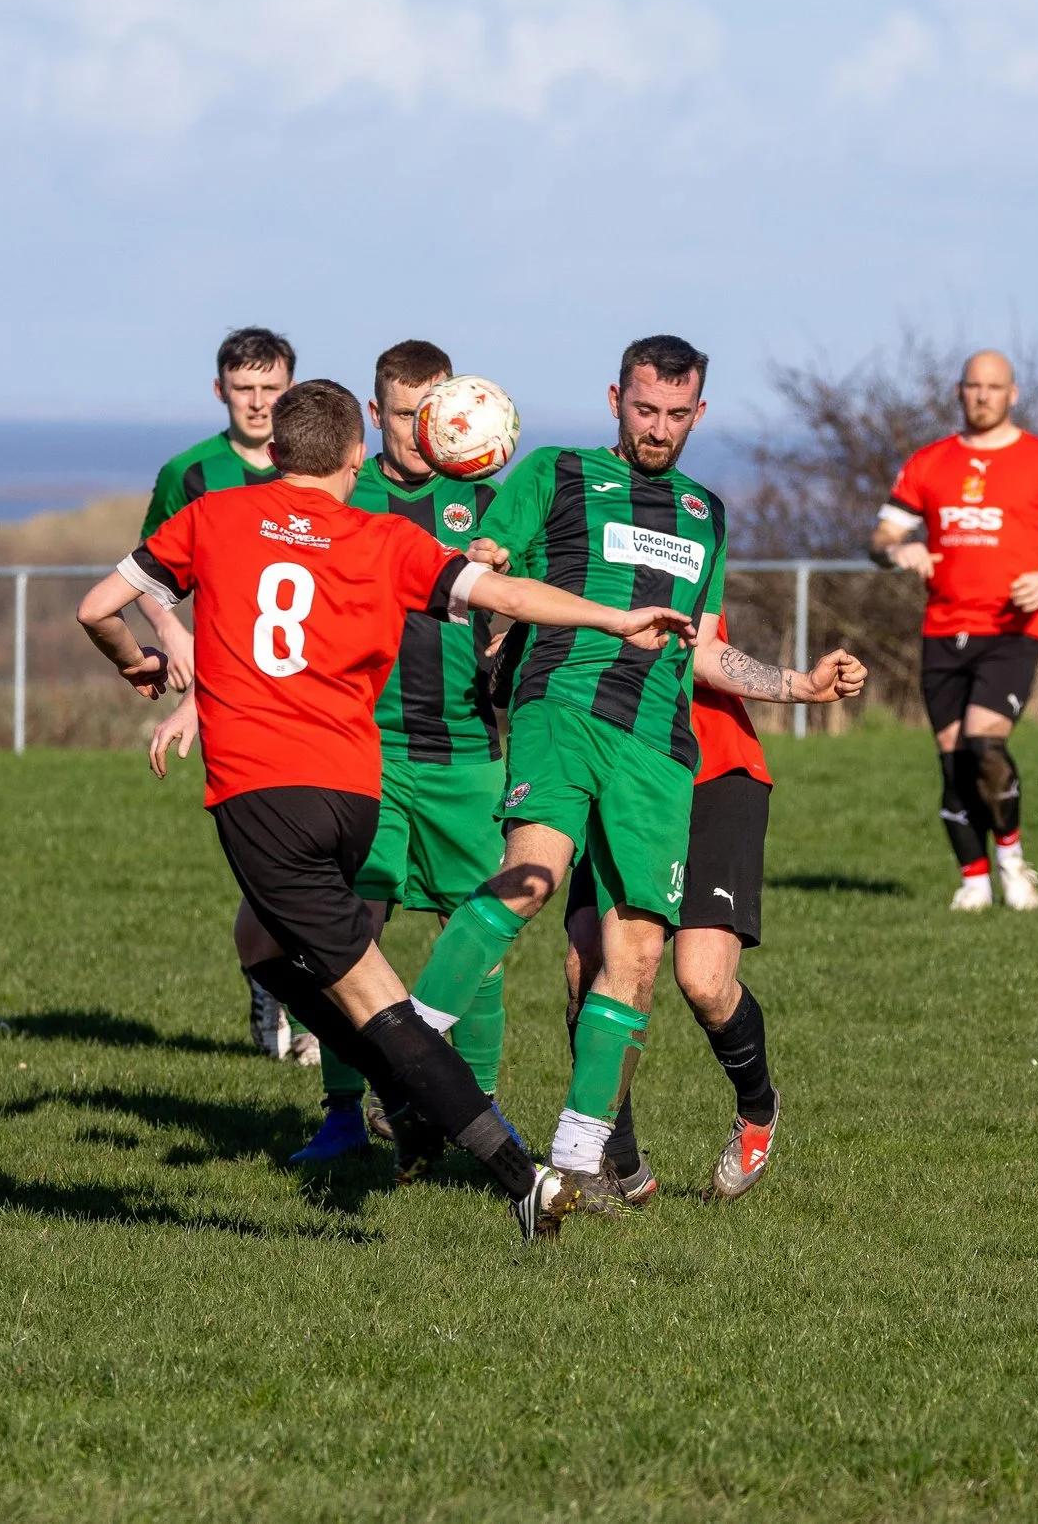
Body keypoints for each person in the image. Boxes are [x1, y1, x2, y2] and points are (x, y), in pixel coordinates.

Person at [80, 378, 692, 1240]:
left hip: (266, 795)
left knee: (374, 998)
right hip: (352, 790)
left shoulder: (215, 515)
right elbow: (508, 598)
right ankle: (410, 1092)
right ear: (356, 454)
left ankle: (514, 1172)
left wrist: (137, 662)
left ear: (276, 451)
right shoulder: (381, 536)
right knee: (260, 942)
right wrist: (613, 617)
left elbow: (96, 606)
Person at [404, 335, 865, 1207]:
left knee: (640, 951)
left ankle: (578, 1162)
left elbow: (706, 652)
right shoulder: (555, 473)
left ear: (700, 412)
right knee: (532, 876)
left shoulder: (705, 512)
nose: (657, 428)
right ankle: (410, 1048)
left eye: (675, 414)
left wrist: (799, 685)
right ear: (616, 396)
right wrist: (491, 567)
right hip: (562, 706)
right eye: (644, 409)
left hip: (659, 745)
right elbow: (491, 565)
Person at [272, 339, 515, 1162]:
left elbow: (526, 605)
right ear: (377, 416)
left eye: (439, 413)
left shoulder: (485, 501)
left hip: (464, 754)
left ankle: (475, 1118)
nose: (424, 431)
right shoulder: (343, 493)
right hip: (361, 751)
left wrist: (507, 618)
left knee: (474, 935)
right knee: (347, 936)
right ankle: (344, 1114)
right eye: (408, 415)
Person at [564, 610, 812, 1202]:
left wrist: (799, 686)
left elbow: (702, 650)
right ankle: (612, 1152)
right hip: (614, 769)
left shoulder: (684, 527)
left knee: (703, 981)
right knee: (587, 962)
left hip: (713, 772)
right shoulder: (563, 540)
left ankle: (758, 1108)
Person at [136, 328, 307, 1064]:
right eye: (246, 389)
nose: (260, 403)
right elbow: (144, 576)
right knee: (273, 856)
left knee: (324, 859)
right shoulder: (191, 473)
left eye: (272, 389)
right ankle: (273, 979)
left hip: (317, 688)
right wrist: (174, 636)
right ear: (220, 392)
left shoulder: (320, 466)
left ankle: (305, 1008)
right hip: (232, 694)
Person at [870, 349, 1038, 911]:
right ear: (959, 391)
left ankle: (1012, 857)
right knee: (952, 761)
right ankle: (973, 880)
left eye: (994, 387)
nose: (983, 395)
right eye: (974, 386)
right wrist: (901, 550)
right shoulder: (929, 463)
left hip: (1011, 630)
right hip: (943, 630)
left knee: (984, 745)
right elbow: (880, 538)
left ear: (1012, 393)